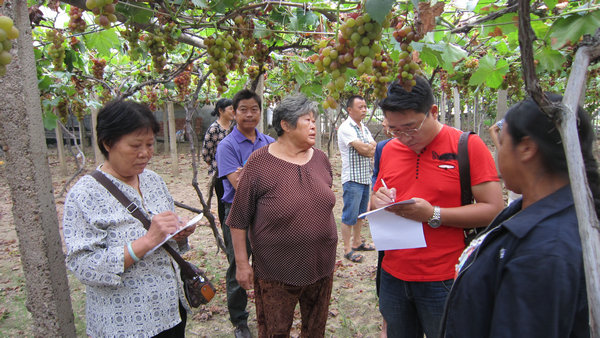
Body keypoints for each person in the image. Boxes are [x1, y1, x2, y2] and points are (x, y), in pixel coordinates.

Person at [440, 94, 598, 337]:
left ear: (526, 148)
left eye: (501, 143)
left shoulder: (544, 252)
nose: (497, 154)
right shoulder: (534, 215)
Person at [370, 76, 504, 338]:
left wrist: (434, 214)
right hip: (393, 275)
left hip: (445, 278)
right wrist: (379, 200)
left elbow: (494, 209)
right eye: (394, 129)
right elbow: (374, 198)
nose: (404, 137)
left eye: (410, 127)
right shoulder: (387, 150)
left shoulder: (467, 146)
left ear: (433, 112)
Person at [63, 99, 196, 337]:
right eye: (135, 145)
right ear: (108, 143)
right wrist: (146, 241)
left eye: (149, 144)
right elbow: (83, 266)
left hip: (170, 310)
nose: (145, 153)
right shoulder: (84, 194)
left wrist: (178, 233)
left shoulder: (153, 180)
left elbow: (165, 239)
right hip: (124, 322)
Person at [227, 94, 338, 337]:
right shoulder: (259, 163)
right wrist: (243, 264)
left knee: (315, 330)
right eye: (306, 120)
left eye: (314, 120)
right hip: (277, 270)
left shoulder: (320, 159)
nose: (313, 125)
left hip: (321, 264)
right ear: (285, 125)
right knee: (275, 331)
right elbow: (238, 219)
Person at [216, 89, 275, 338]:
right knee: (238, 264)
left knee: (267, 263)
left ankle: (268, 308)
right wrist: (263, 179)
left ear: (260, 112)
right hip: (237, 213)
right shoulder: (226, 146)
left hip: (266, 213)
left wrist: (249, 174)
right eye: (243, 110)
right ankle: (239, 320)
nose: (249, 115)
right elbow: (240, 186)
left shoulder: (270, 143)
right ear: (234, 112)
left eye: (254, 109)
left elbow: (277, 180)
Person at [338, 94, 377, 263]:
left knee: (361, 214)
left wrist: (368, 148)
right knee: (349, 215)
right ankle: (347, 249)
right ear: (349, 110)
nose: (364, 110)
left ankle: (357, 242)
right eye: (360, 107)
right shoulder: (346, 127)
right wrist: (368, 148)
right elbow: (365, 150)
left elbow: (372, 146)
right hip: (352, 178)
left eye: (365, 107)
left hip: (364, 177)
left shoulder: (364, 128)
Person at [201, 98, 234, 226]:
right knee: (222, 202)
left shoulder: (234, 127)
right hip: (220, 174)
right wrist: (216, 165)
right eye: (230, 109)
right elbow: (206, 153)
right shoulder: (214, 129)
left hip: (234, 170)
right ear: (221, 111)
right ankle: (225, 228)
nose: (233, 111)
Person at [489, 119, 521, 205]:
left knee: (515, 200)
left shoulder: (515, 114)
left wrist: (502, 150)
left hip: (516, 160)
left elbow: (493, 129)